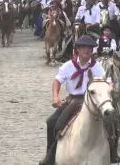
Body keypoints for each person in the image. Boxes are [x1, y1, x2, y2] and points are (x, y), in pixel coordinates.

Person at [39, 35, 105, 165]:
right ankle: (50, 157)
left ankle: (112, 153)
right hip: (74, 100)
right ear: (78, 50)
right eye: (83, 47)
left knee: (113, 122)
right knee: (52, 122)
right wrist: (56, 97)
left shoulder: (97, 67)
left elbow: (107, 81)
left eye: (89, 48)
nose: (86, 50)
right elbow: (57, 81)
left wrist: (109, 89)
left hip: (93, 101)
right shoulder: (68, 66)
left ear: (92, 51)